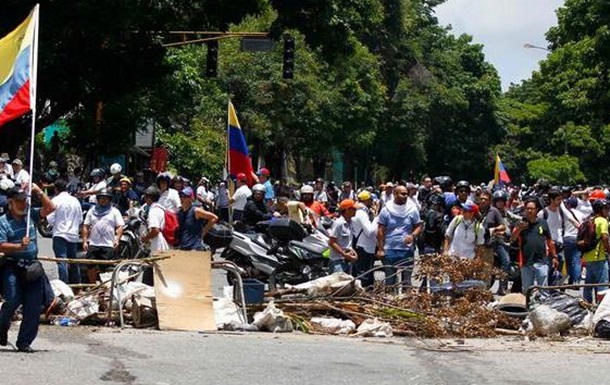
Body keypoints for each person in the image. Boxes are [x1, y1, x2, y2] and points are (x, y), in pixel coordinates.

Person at [0, 183, 55, 352]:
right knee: (12, 299)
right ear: (10, 202)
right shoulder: (3, 222)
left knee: (33, 305)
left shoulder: (31, 215)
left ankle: (24, 342)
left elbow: (50, 207)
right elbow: (1, 245)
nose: (23, 204)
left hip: (32, 266)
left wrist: (38, 191)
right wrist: (18, 247)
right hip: (11, 265)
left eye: (24, 200)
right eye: (19, 201)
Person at [377, 185, 422, 288]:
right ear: (395, 194)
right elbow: (380, 230)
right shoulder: (386, 210)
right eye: (403, 194)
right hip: (390, 250)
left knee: (406, 282)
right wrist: (380, 249)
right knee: (390, 281)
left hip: (406, 250)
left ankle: (405, 302)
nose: (405, 196)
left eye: (406, 194)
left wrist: (413, 235)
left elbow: (419, 225)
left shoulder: (412, 209)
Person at [511, 197, 558, 293]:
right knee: (527, 291)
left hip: (541, 261)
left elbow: (549, 241)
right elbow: (512, 238)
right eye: (527, 208)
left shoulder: (542, 222)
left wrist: (554, 256)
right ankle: (529, 307)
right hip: (526, 262)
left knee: (543, 289)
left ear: (536, 210)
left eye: (531, 209)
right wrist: (519, 229)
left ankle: (543, 306)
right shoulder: (520, 223)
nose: (529, 211)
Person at [82, 188, 124, 283]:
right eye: (101, 198)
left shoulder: (114, 211)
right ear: (98, 199)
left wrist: (117, 239)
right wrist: (85, 241)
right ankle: (93, 285)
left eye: (106, 198)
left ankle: (104, 287)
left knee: (105, 268)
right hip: (94, 243)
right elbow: (86, 226)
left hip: (108, 244)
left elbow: (120, 226)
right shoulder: (92, 211)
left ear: (109, 199)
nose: (103, 200)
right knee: (90, 265)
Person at [47, 179, 83, 284]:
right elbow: (80, 219)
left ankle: (64, 284)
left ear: (56, 189)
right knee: (73, 261)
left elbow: (50, 219)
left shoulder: (55, 200)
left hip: (60, 233)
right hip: (73, 234)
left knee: (61, 261)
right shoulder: (75, 200)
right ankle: (77, 284)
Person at [582, 199, 610, 303]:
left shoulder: (590, 219)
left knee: (588, 284)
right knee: (602, 284)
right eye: (606, 208)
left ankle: (586, 304)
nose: (608, 211)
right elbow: (604, 236)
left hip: (588, 257)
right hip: (599, 257)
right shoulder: (602, 221)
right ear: (600, 209)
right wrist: (608, 249)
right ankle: (601, 308)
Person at [351, 191, 378, 288]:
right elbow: (370, 231)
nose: (372, 203)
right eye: (371, 200)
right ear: (366, 201)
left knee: (368, 274)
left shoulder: (364, 212)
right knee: (364, 276)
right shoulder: (361, 213)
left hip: (367, 246)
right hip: (364, 247)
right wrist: (376, 218)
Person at [328, 199, 358, 273]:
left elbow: (348, 243)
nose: (355, 211)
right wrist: (343, 254)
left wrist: (354, 253)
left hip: (347, 260)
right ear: (347, 210)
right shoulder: (339, 223)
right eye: (353, 209)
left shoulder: (350, 223)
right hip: (338, 261)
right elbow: (331, 242)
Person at [563, 197, 585, 285]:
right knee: (577, 260)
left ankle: (570, 280)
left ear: (568, 204)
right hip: (578, 239)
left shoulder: (565, 214)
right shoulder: (581, 214)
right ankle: (577, 281)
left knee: (568, 261)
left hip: (567, 238)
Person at [141, 185, 170, 252]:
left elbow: (155, 231)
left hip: (157, 244)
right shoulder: (160, 208)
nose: (145, 199)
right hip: (161, 242)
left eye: (146, 197)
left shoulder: (153, 211)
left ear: (149, 198)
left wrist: (145, 238)